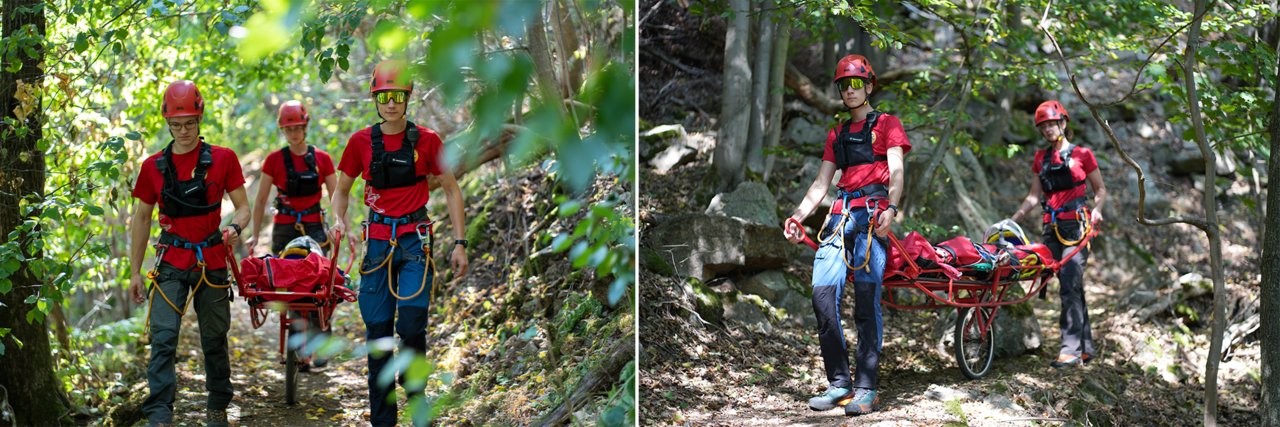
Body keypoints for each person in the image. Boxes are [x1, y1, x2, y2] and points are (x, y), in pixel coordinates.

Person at [328, 59, 470, 427]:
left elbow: (452, 190)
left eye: (398, 96)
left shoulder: (428, 140)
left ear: (408, 97)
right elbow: (341, 191)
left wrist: (459, 243)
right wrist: (338, 220)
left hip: (414, 242)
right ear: (375, 98)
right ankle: (383, 422)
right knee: (378, 334)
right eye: (384, 96)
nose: (391, 103)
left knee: (410, 324)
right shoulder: (360, 142)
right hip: (377, 244)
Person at [782, 54, 911, 416]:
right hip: (839, 219)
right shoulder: (836, 135)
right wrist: (797, 216)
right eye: (844, 85)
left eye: (857, 84)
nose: (850, 90)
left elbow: (897, 172)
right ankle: (840, 384)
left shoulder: (888, 125)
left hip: (872, 219)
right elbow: (822, 183)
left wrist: (892, 208)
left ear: (869, 86)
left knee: (867, 305)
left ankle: (866, 387)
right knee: (822, 298)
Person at [127, 80, 250, 427]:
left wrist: (235, 229)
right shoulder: (153, 167)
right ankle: (159, 415)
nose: (183, 131)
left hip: (211, 258)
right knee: (163, 338)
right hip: (171, 261)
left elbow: (244, 209)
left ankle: (217, 406)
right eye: (176, 125)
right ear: (167, 122)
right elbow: (141, 218)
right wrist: (135, 271)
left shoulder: (223, 159)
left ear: (200, 118)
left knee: (214, 338)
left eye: (190, 123)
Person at [1010, 100, 1107, 368]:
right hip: (1051, 229)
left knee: (1069, 285)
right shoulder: (1040, 158)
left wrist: (1097, 209)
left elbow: (1100, 189)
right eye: (1044, 126)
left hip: (1077, 227)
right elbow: (1033, 197)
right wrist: (1013, 220)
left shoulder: (1083, 154)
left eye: (1052, 124)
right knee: (1070, 284)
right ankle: (1085, 348)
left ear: (1063, 123)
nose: (1049, 129)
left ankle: (1070, 350)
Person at [243, 100, 338, 371]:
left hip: (315, 228)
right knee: (291, 288)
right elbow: (260, 200)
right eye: (289, 129)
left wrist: (342, 226)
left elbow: (334, 196)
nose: (294, 134)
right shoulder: (274, 160)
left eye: (297, 128)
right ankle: (298, 345)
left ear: (305, 127)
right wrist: (253, 235)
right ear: (283, 131)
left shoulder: (322, 159)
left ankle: (320, 345)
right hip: (284, 228)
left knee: (321, 287)